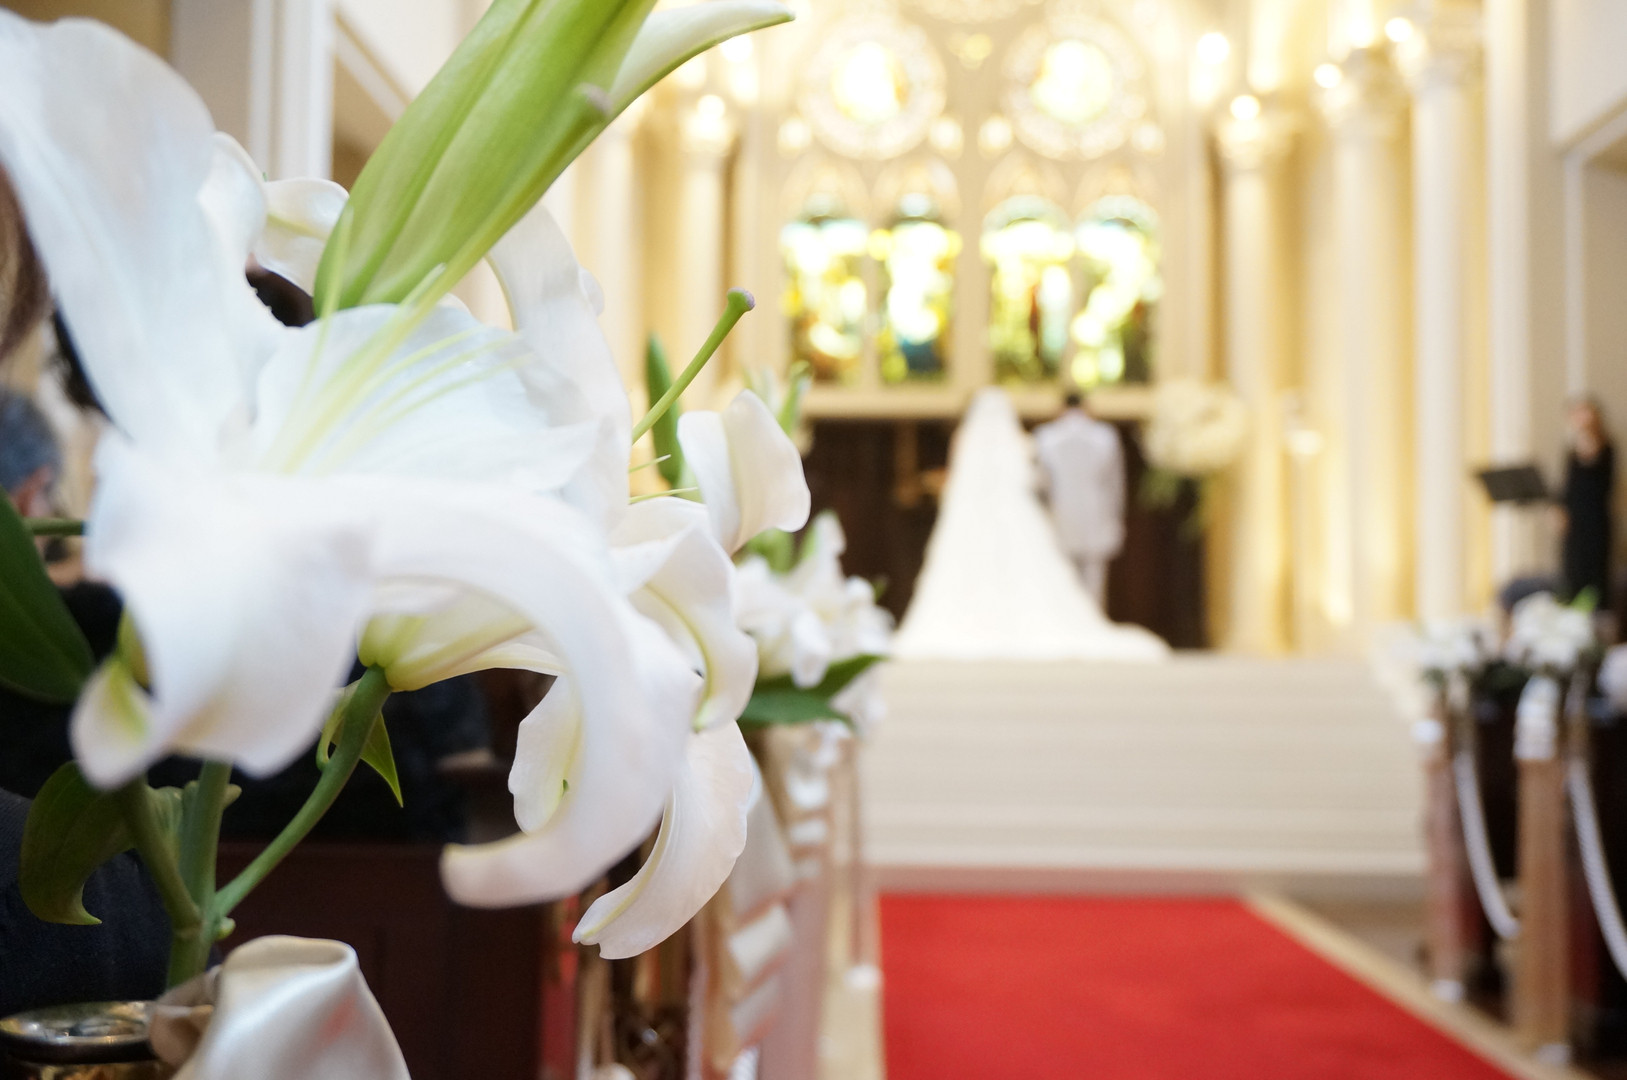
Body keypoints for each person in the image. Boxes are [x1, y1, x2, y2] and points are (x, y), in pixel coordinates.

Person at [1033, 390, 1126, 606]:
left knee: (1062, 584)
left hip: (1060, 515)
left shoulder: (1045, 436)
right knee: (1094, 586)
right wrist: (1116, 518)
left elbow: (1042, 483)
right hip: (1096, 515)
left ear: (1060, 408)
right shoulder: (1105, 436)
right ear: (1086, 406)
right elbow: (1114, 484)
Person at [1560, 396, 1616, 611]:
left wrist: (1585, 434)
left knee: (1594, 573)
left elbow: (1598, 475)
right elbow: (1567, 486)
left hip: (1595, 520)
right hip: (1574, 521)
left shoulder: (1606, 447)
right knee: (1573, 571)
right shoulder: (1571, 450)